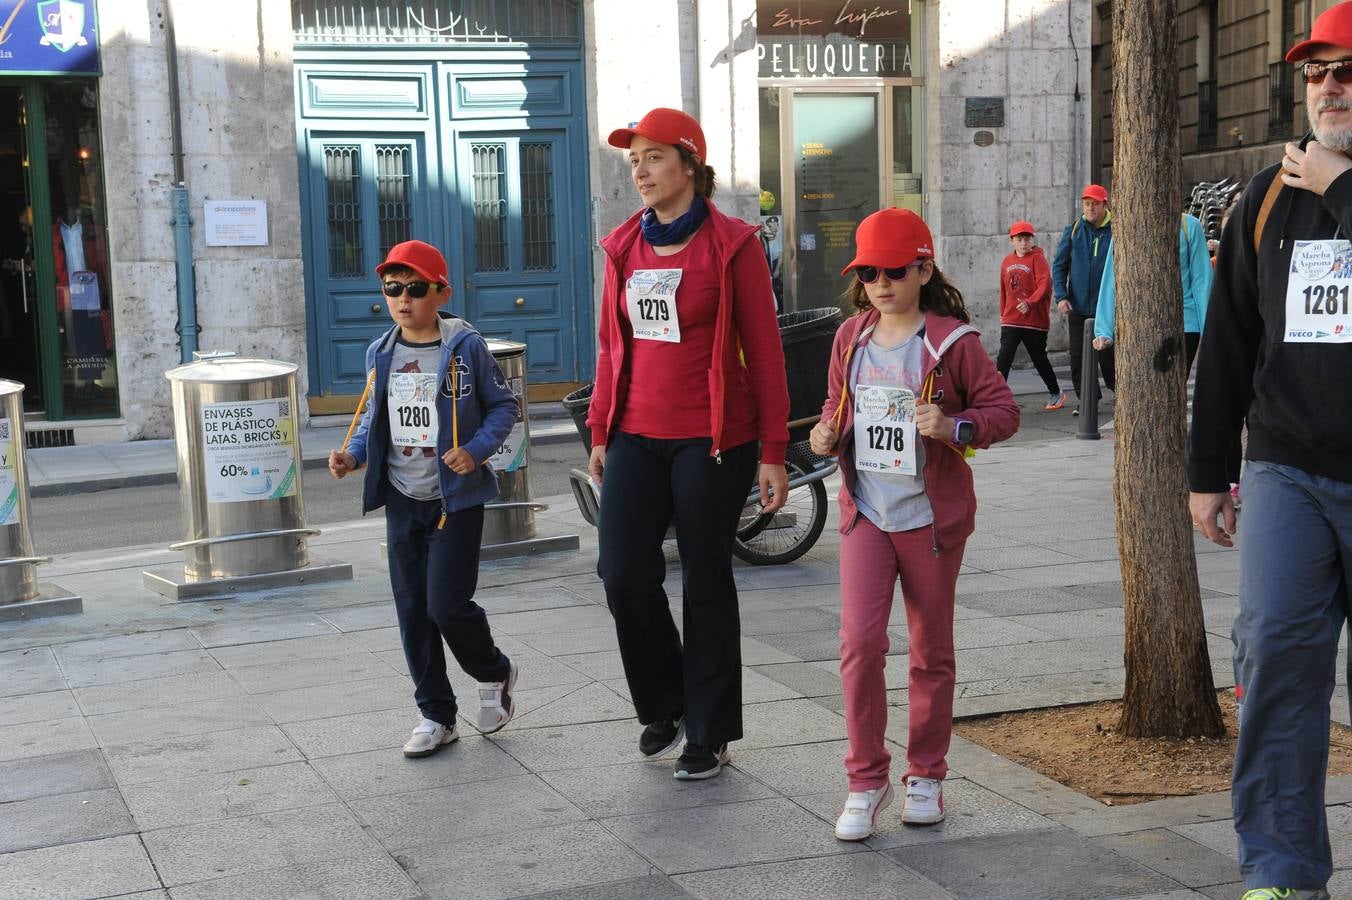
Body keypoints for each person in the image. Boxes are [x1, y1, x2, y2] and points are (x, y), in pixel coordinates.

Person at [1189, 4, 1352, 897]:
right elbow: (1229, 339)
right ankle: (1282, 873)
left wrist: (1340, 188)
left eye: (1347, 71)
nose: (1329, 87)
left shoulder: (1322, 184)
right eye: (1316, 72)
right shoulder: (1265, 198)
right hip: (1287, 467)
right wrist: (1207, 471)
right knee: (1279, 670)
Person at [587, 107, 791, 780]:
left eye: (651, 158)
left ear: (689, 164)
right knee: (621, 574)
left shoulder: (731, 245)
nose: (640, 172)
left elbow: (764, 353)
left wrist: (771, 450)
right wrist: (599, 429)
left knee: (705, 579)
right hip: (634, 435)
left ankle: (709, 729)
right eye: (633, 161)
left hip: (713, 439)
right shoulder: (622, 247)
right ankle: (667, 702)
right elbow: (610, 348)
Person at [810, 208, 1019, 840]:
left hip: (930, 520)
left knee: (930, 652)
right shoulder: (850, 337)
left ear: (923, 269)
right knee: (859, 644)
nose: (880, 282)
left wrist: (955, 428)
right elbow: (835, 403)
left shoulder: (954, 342)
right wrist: (826, 432)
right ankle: (865, 779)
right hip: (866, 513)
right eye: (868, 272)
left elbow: (1003, 411)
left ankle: (925, 774)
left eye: (895, 271)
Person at [329, 239, 520, 759]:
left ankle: (494, 670)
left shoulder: (466, 348)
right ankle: (436, 714)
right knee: (413, 609)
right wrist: (353, 455)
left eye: (415, 288)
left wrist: (476, 451)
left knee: (446, 605)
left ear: (441, 292)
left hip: (454, 498)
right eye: (393, 288)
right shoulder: (381, 351)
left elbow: (505, 407)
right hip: (401, 495)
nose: (403, 298)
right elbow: (374, 417)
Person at [1092, 211, 1213, 375]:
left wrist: (1210, 332)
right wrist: (1103, 330)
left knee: (1173, 393)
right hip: (1138, 326)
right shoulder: (1126, 226)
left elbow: (1203, 282)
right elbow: (1111, 279)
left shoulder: (1189, 226)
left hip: (1185, 325)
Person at [1052, 184, 1115, 415]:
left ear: (1104, 205)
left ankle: (1120, 390)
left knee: (1109, 357)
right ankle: (1087, 399)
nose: (1089, 208)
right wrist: (1061, 296)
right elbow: (1059, 266)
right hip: (1077, 305)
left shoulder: (1115, 230)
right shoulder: (1074, 229)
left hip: (1106, 306)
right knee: (1078, 356)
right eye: (1086, 203)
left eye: (1094, 204)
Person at [996, 220, 1065, 409]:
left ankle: (1055, 393)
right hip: (1011, 319)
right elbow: (1004, 290)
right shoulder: (1006, 262)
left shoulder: (1037, 259)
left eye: (1027, 238)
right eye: (1019, 239)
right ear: (1012, 241)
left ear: (1032, 240)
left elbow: (1045, 284)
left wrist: (1030, 302)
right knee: (1004, 357)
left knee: (1038, 358)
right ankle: (996, 398)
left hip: (1034, 321)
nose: (1024, 243)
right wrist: (1003, 312)